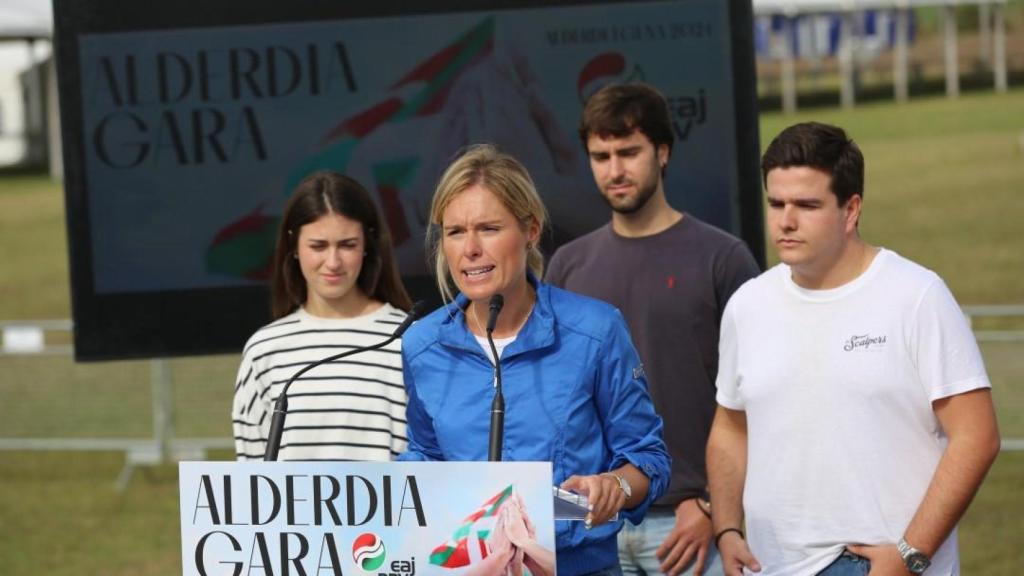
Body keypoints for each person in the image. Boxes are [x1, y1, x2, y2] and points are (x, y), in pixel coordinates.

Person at [706, 122, 1000, 576]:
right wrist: (726, 529)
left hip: (883, 563)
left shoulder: (916, 295)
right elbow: (730, 426)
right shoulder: (747, 305)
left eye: (807, 205)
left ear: (851, 209)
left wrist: (910, 555)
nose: (786, 220)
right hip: (771, 566)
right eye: (776, 203)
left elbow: (977, 437)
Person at [399, 144, 672, 576]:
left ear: (530, 229)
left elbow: (648, 460)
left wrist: (613, 486)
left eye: (488, 228)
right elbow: (425, 457)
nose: (469, 249)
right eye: (454, 232)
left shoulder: (594, 331)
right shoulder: (422, 344)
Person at [546, 82, 760, 576]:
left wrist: (713, 506)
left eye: (629, 152)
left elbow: (761, 398)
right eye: (601, 155)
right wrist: (564, 510)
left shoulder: (723, 259)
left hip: (690, 527)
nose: (615, 169)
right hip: (588, 521)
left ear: (663, 152)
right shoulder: (567, 267)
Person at [232, 171, 413, 461]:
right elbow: (252, 478)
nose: (333, 262)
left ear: (367, 244)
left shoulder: (411, 339)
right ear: (293, 246)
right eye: (318, 246)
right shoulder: (263, 350)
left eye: (347, 245)